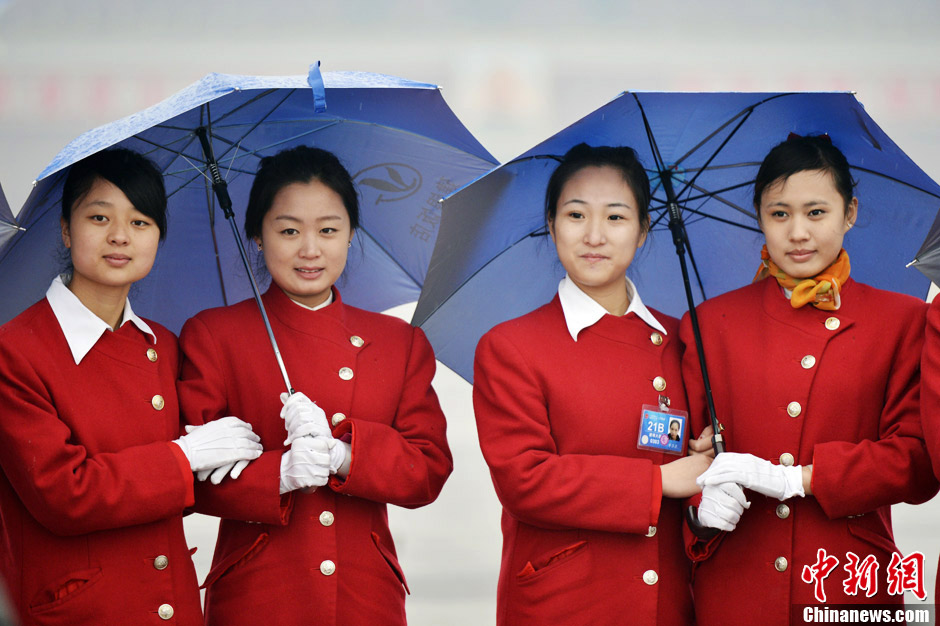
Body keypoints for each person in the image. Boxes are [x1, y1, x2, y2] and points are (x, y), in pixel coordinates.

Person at [177, 145, 453, 626]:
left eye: (328, 230)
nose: (310, 249)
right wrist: (278, 472)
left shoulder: (398, 342)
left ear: (350, 235)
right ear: (257, 238)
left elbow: (427, 469)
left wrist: (344, 455)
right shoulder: (215, 335)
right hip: (258, 595)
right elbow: (194, 479)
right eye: (288, 231)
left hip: (365, 597)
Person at [0, 148, 263, 626]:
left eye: (141, 222)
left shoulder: (163, 344)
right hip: (81, 610)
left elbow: (194, 480)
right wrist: (182, 457)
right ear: (65, 228)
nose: (120, 236)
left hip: (172, 605)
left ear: (158, 236)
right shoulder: (15, 351)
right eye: (99, 217)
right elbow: (64, 494)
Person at [685, 135, 939, 624]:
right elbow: (686, 455)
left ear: (850, 213)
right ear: (758, 215)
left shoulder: (904, 320)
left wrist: (799, 478)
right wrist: (701, 507)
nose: (797, 232)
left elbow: (919, 459)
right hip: (737, 590)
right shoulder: (708, 324)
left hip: (849, 588)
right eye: (779, 213)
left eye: (816, 213)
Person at [472, 144, 711, 626]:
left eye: (617, 218)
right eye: (576, 214)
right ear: (551, 223)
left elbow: (702, 478)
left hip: (666, 602)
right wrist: (658, 481)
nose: (595, 235)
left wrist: (710, 460)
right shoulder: (511, 346)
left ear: (644, 230)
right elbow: (526, 481)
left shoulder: (685, 341)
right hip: (563, 602)